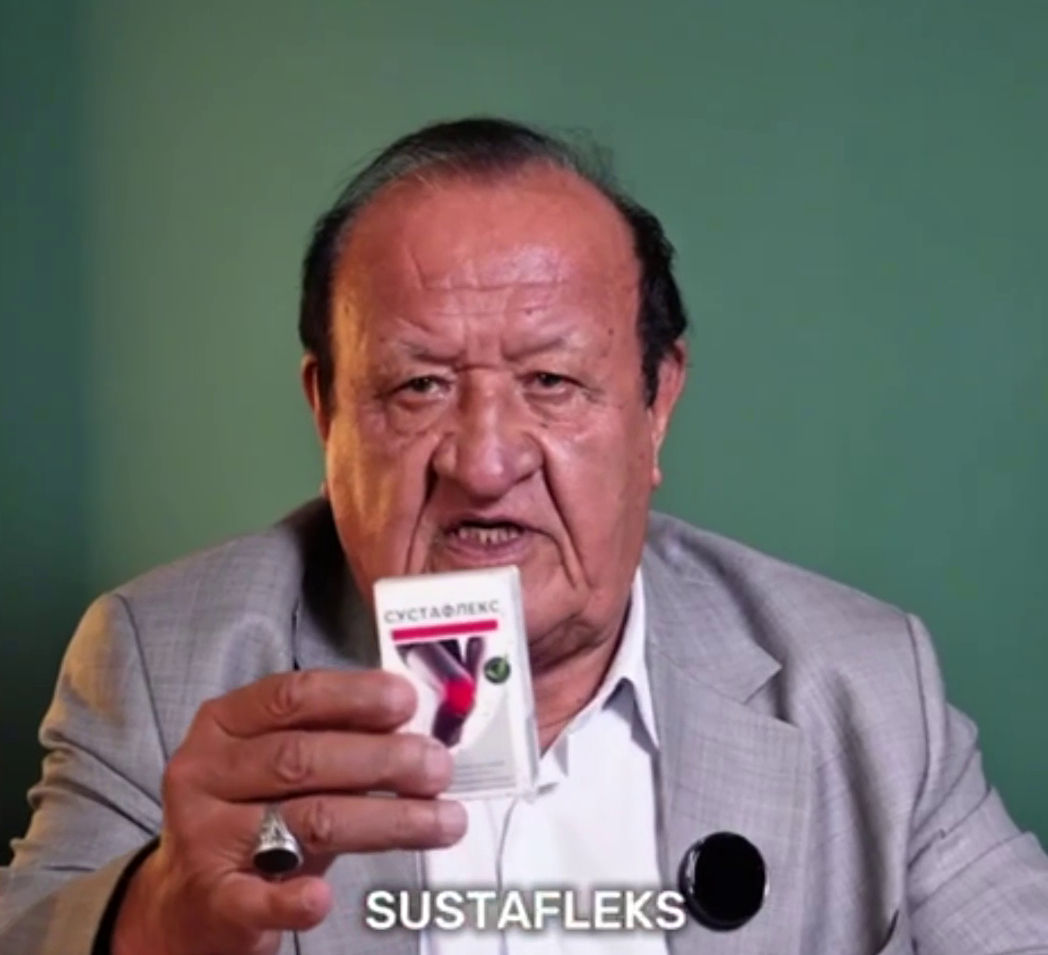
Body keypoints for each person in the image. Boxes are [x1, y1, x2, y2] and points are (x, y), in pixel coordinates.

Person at [1, 117, 1047, 955]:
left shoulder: (864, 686)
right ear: (326, 412)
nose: (484, 461)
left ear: (656, 404)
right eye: (418, 387)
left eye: (551, 381)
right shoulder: (160, 659)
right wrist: (153, 922)